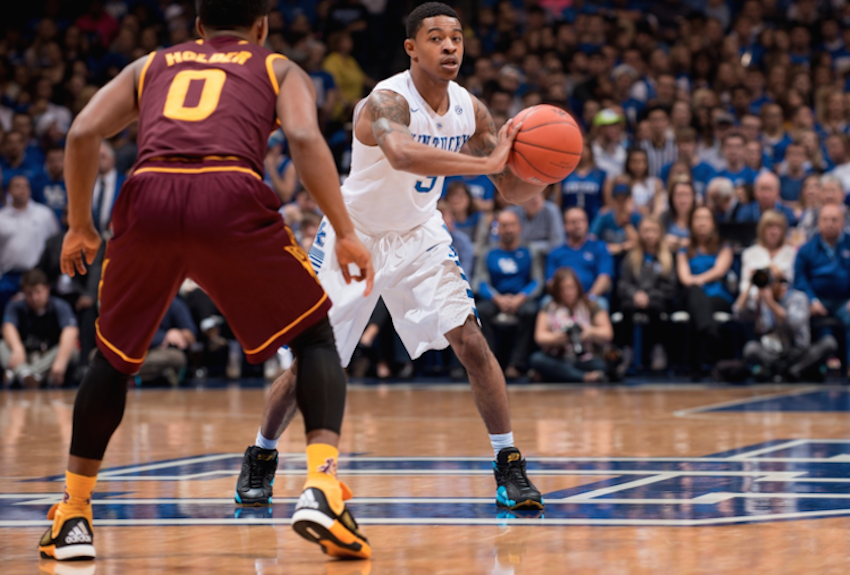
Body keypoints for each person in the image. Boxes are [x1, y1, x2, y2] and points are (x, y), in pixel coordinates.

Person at [38, 0, 375, 563]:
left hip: (148, 195)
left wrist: (79, 225)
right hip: (229, 190)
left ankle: (73, 515)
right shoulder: (276, 66)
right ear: (262, 26)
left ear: (196, 26)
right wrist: (343, 230)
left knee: (113, 360)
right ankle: (322, 487)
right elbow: (304, 137)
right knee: (314, 337)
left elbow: (81, 132)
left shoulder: (151, 64)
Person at [241, 2, 545, 516]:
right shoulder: (386, 100)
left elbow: (511, 190)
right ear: (412, 48)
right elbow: (402, 153)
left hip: (419, 234)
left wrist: (542, 162)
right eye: (436, 38)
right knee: (314, 363)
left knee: (471, 340)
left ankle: (508, 464)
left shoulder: (471, 110)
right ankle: (261, 455)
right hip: (352, 236)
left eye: (456, 37)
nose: (450, 46)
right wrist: (484, 162)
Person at [475, 210, 543, 378]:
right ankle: (490, 364)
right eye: (504, 226)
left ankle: (516, 364)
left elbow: (537, 281)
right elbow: (479, 281)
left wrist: (520, 298)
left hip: (521, 298)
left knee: (531, 312)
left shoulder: (530, 251)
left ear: (519, 227)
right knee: (479, 312)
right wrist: (497, 298)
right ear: (498, 229)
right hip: (496, 297)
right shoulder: (488, 252)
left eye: (512, 225)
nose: (508, 229)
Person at [741, 268, 836, 382]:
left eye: (771, 281)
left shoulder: (798, 297)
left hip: (799, 352)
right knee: (750, 348)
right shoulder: (760, 299)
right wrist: (750, 286)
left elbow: (793, 324)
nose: (768, 285)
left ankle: (791, 371)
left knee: (829, 343)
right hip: (774, 353)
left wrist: (771, 304)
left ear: (781, 282)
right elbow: (738, 314)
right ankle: (788, 371)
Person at [676, 206, 734, 377]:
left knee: (700, 307)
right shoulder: (684, 248)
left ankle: (695, 364)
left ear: (713, 223)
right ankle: (710, 332)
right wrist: (695, 283)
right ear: (691, 223)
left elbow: (720, 271)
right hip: (690, 294)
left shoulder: (724, 246)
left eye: (706, 218)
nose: (701, 222)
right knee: (694, 293)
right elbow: (684, 277)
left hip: (717, 295)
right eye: (697, 218)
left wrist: (698, 280)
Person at [529, 267, 613, 382]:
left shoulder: (590, 305)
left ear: (577, 287)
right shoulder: (549, 307)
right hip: (558, 356)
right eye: (562, 289)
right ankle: (584, 377)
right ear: (557, 291)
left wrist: (590, 332)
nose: (568, 293)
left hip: (584, 357)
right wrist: (556, 338)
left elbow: (608, 333)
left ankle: (556, 375)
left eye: (570, 287)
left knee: (601, 365)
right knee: (536, 359)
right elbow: (539, 336)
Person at [793, 204, 850, 375]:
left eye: (834, 219)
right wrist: (812, 300)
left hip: (844, 301)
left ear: (842, 223)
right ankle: (807, 367)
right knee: (801, 315)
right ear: (819, 222)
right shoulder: (807, 249)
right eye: (825, 219)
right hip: (818, 299)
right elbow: (800, 279)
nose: (830, 223)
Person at [617, 216, 678, 371]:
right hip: (634, 297)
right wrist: (635, 294)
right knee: (626, 307)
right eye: (645, 231)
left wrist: (648, 296)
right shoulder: (631, 257)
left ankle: (658, 349)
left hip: (657, 298)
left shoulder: (667, 257)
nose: (649, 235)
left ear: (660, 233)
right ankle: (627, 350)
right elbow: (623, 283)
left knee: (657, 308)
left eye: (653, 231)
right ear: (639, 233)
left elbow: (670, 286)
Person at [1, 269, 78, 388]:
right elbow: (7, 327)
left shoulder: (60, 306)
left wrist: (61, 361)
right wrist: (17, 348)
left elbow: (71, 331)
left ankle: (23, 374)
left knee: (71, 350)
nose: (34, 298)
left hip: (48, 359)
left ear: (47, 289)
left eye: (38, 292)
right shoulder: (16, 306)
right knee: (2, 345)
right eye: (29, 293)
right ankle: (27, 374)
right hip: (24, 356)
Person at [0, 175, 60, 311]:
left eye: (25, 186)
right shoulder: (1, 217)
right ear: (8, 191)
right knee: (7, 316)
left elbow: (55, 243)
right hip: (9, 276)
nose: (22, 190)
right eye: (17, 186)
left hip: (38, 274)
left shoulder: (44, 214)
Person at [547, 207, 614, 308]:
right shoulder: (555, 252)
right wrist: (567, 299)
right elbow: (550, 282)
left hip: (591, 298)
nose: (578, 225)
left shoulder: (599, 247)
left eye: (582, 220)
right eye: (573, 222)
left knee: (601, 304)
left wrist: (590, 297)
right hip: (562, 300)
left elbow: (604, 278)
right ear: (565, 226)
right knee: (546, 303)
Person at [734, 210, 798, 314]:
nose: (774, 231)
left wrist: (779, 274)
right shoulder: (749, 253)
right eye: (770, 227)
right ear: (762, 229)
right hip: (755, 302)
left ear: (783, 231)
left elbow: (793, 281)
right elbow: (745, 284)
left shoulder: (791, 253)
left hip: (784, 302)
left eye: (778, 227)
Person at [591, 177, 641, 258]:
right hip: (607, 256)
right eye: (618, 200)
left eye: (624, 200)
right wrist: (620, 247)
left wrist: (626, 222)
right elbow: (591, 239)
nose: (621, 204)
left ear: (630, 200)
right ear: (613, 201)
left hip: (629, 258)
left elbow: (641, 244)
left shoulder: (636, 217)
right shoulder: (604, 216)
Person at [559, 140, 606, 222]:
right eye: (578, 147)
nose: (582, 150)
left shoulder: (601, 175)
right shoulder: (564, 174)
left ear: (590, 150)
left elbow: (608, 205)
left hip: (594, 221)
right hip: (569, 224)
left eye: (585, 147)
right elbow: (558, 203)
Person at [90, 142, 125, 237]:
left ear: (113, 159)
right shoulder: (86, 183)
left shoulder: (125, 183)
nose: (99, 160)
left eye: (103, 156)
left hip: (117, 239)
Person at [622, 147, 664, 216]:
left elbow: (659, 208)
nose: (638, 165)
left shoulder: (655, 183)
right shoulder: (623, 182)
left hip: (650, 220)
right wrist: (638, 209)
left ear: (646, 163)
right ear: (628, 163)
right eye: (635, 161)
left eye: (642, 161)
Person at [32, 147, 68, 225]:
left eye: (60, 160)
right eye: (52, 161)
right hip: (43, 228)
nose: (56, 164)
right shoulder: (38, 184)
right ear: (46, 163)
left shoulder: (74, 185)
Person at [661, 178, 696, 252]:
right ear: (672, 198)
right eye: (679, 195)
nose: (683, 200)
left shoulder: (699, 216)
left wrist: (677, 242)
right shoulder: (664, 217)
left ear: (693, 197)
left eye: (686, 195)